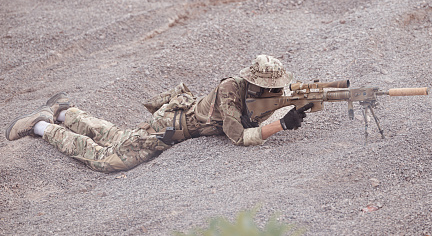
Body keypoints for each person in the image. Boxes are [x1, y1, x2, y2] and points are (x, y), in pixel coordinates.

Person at [5, 55, 309, 172]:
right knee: (111, 159)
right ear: (256, 83)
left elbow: (269, 103)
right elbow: (238, 136)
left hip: (172, 122)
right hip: (169, 128)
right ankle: (42, 126)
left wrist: (290, 102)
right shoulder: (231, 89)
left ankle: (66, 111)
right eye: (273, 88)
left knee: (117, 136)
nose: (276, 92)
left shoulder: (256, 92)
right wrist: (281, 124)